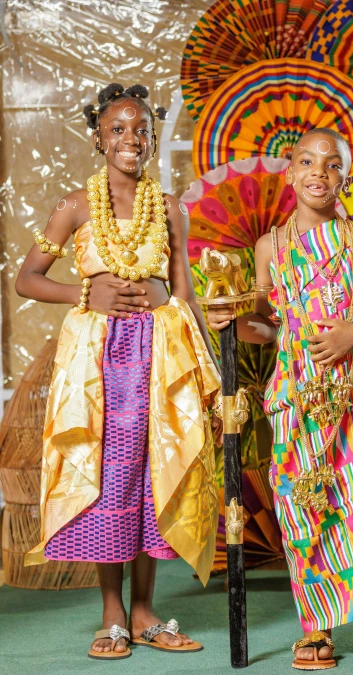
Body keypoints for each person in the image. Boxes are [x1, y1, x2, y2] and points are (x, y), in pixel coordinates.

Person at [207, 128, 353, 670]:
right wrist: (232, 317)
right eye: (307, 161)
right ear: (290, 172)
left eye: (332, 165)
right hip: (299, 395)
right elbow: (267, 324)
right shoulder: (270, 247)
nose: (319, 173)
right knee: (308, 507)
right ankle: (317, 627)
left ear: (344, 177)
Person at [16, 83, 221, 660]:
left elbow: (183, 295)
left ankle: (146, 612)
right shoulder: (75, 206)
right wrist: (85, 289)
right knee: (109, 478)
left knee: (155, 473)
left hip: (160, 359)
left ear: (153, 137)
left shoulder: (171, 207)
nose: (131, 138)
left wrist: (206, 377)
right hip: (98, 365)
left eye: (141, 130)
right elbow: (26, 279)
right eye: (118, 130)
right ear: (99, 138)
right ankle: (111, 615)